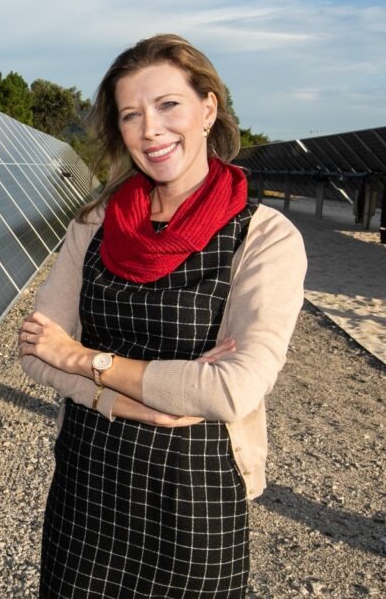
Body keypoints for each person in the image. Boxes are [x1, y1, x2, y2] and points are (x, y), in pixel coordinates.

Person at [18, 34, 306, 598]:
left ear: (208, 109)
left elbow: (231, 390)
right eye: (131, 114)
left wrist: (84, 359)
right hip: (86, 485)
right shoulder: (95, 222)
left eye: (168, 104)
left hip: (194, 498)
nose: (150, 129)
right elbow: (34, 348)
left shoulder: (265, 237)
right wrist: (115, 396)